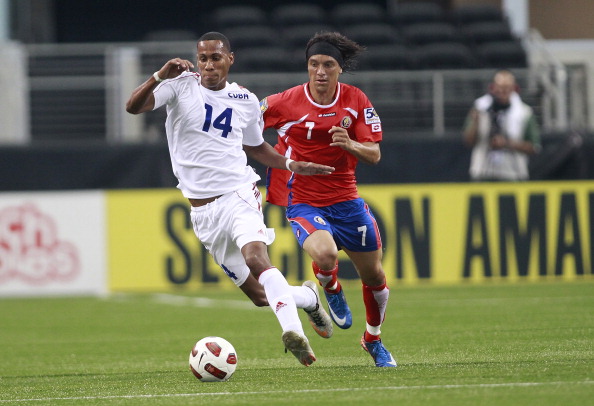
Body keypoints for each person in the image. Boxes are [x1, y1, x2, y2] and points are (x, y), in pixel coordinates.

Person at [125, 31, 336, 367]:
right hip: (203, 212)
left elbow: (256, 148)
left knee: (256, 257)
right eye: (203, 58)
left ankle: (294, 332)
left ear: (230, 59)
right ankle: (308, 297)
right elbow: (132, 107)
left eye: (216, 58)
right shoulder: (179, 84)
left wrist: (291, 163)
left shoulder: (246, 100)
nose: (209, 65)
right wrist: (158, 76)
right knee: (258, 296)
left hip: (238, 192)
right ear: (197, 60)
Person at [260, 31, 397, 367]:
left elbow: (375, 154)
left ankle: (373, 340)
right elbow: (244, 131)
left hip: (347, 200)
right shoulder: (284, 102)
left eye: (328, 64)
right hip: (304, 199)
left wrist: (350, 144)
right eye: (314, 64)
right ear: (307, 67)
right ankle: (330, 285)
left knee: (376, 277)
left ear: (340, 69)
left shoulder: (356, 100)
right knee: (324, 253)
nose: (320, 71)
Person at [463, 69, 541, 181]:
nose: (503, 91)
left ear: (515, 88)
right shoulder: (480, 108)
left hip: (514, 175)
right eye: (499, 87)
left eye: (507, 88)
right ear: (492, 87)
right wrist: (475, 123)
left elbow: (534, 147)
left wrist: (507, 143)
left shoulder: (524, 112)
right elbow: (468, 141)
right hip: (482, 173)